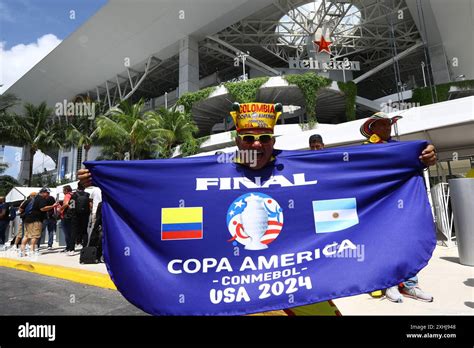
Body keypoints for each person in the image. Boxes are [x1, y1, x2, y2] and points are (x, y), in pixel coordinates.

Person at [77, 103, 437, 313]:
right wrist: (101, 178)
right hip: (221, 285)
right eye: (248, 138)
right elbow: (154, 182)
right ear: (237, 140)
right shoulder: (205, 169)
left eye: (264, 139)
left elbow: (360, 170)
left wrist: (413, 159)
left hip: (302, 277)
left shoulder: (299, 166)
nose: (257, 145)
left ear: (273, 141)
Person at [360, 112, 436, 303]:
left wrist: (427, 152)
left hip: (402, 206)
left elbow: (421, 159)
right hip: (378, 206)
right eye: (384, 125)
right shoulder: (364, 149)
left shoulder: (400, 147)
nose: (388, 128)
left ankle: (410, 285)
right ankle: (389, 284)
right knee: (385, 244)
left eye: (389, 124)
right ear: (373, 128)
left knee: (407, 243)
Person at [20, 188, 58, 257]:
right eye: (47, 193)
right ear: (43, 192)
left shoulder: (31, 199)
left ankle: (22, 251)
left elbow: (21, 209)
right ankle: (32, 251)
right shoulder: (41, 199)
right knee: (35, 236)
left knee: (26, 236)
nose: (48, 195)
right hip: (36, 220)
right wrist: (53, 206)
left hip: (27, 220)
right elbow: (43, 208)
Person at [70, 183, 92, 248]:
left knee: (74, 231)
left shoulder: (74, 195)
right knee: (85, 231)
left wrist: (72, 214)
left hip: (76, 215)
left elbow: (71, 206)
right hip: (85, 215)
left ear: (78, 187)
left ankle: (71, 249)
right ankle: (85, 247)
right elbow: (90, 205)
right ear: (84, 187)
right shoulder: (87, 194)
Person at [58, 185, 75, 255]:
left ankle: (69, 247)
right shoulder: (73, 195)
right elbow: (72, 206)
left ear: (66, 190)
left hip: (66, 216)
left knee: (67, 233)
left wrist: (60, 209)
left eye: (63, 190)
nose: (63, 191)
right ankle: (70, 247)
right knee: (70, 232)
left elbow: (66, 204)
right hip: (72, 216)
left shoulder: (67, 195)